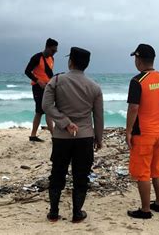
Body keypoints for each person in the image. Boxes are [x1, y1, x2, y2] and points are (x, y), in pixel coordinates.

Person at [42, 47, 104, 223]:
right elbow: (98, 116)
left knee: (57, 173)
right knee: (81, 175)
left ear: (70, 62)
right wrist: (99, 138)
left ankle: (53, 212)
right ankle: (77, 213)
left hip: (62, 137)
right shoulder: (94, 87)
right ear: (86, 65)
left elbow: (47, 106)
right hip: (85, 137)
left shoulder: (57, 80)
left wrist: (64, 122)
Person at [126, 44, 159, 219]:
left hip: (143, 134)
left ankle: (145, 210)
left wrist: (128, 131)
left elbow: (133, 108)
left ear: (138, 60)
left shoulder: (137, 81)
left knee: (143, 173)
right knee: (157, 170)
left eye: (135, 58)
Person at [24, 38, 58, 142]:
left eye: (55, 51)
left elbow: (49, 73)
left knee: (49, 111)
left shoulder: (51, 58)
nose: (54, 53)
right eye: (53, 50)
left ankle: (54, 136)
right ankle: (33, 136)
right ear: (47, 47)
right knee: (39, 111)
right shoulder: (37, 57)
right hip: (37, 88)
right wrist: (38, 81)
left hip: (48, 87)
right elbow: (27, 71)